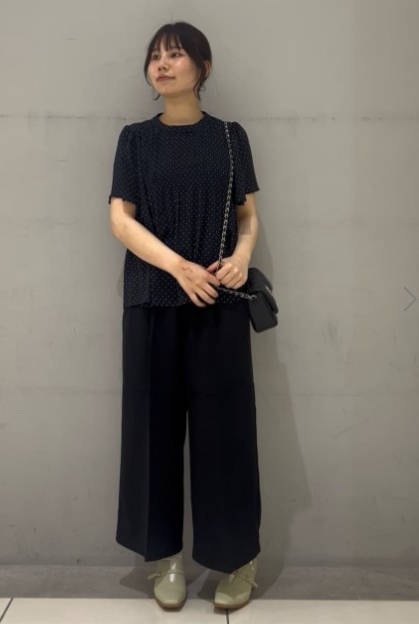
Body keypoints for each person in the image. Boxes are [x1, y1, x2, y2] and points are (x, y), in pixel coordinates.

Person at [108, 21, 262, 611]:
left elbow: (247, 216)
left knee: (227, 434)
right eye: (155, 56)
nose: (163, 64)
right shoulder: (134, 140)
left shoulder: (229, 137)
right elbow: (121, 220)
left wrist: (241, 258)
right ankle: (164, 558)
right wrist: (178, 267)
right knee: (151, 431)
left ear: (203, 66)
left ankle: (238, 559)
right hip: (153, 297)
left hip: (218, 299)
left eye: (175, 55)